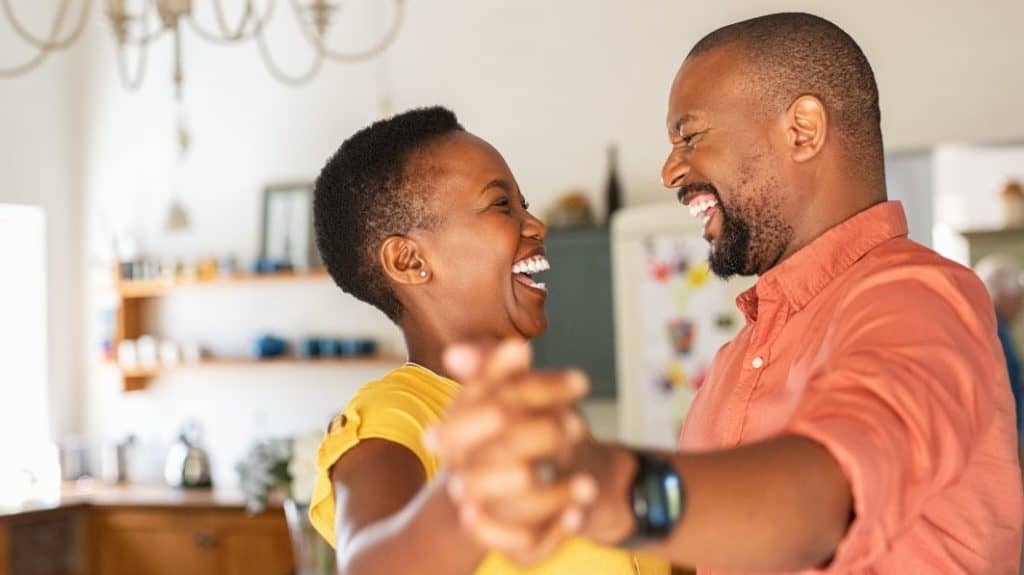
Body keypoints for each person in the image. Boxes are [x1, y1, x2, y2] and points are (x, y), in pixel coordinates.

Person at [430, 13, 1024, 574]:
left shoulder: (914, 299)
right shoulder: (736, 360)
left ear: (802, 129)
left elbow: (821, 499)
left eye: (689, 136)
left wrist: (604, 487)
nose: (669, 171)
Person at [307, 106, 670, 574]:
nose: (536, 226)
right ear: (409, 260)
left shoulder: (526, 417)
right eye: (502, 205)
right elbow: (369, 564)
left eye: (525, 204)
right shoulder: (391, 417)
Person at [975, 254, 1024, 444]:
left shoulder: (994, 326)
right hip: (999, 434)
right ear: (1002, 294)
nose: (1021, 307)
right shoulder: (995, 330)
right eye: (1018, 298)